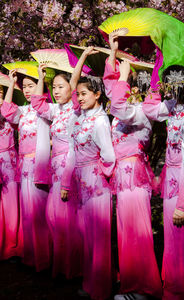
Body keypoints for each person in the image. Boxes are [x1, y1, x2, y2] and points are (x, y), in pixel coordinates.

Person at [103, 33, 162, 300]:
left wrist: (124, 75)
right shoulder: (122, 112)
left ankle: (143, 287)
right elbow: (110, 91)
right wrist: (113, 54)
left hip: (136, 179)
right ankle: (130, 284)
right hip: (121, 179)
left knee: (138, 232)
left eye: (130, 81)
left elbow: (118, 104)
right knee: (125, 232)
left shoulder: (144, 112)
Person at [31, 47, 97, 279]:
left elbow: (76, 78)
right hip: (56, 170)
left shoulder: (75, 109)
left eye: (61, 86)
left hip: (70, 168)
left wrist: (82, 58)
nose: (56, 91)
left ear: (73, 89)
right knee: (54, 217)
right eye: (55, 87)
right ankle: (63, 266)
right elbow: (37, 104)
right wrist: (41, 78)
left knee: (70, 220)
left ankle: (75, 268)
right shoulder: (55, 109)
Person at [142, 65, 184, 300]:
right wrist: (156, 67)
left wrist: (183, 204)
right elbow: (149, 109)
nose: (164, 90)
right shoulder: (173, 110)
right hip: (171, 182)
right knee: (172, 239)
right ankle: (173, 288)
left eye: (167, 85)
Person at [62, 70, 115, 299]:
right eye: (79, 94)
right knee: (86, 234)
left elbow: (109, 156)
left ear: (97, 94)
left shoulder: (101, 121)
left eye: (84, 94)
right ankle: (90, 281)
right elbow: (73, 152)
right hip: (81, 183)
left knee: (98, 236)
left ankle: (101, 287)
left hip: (97, 184)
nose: (80, 98)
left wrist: (98, 174)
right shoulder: (81, 119)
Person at [1, 70, 52, 271]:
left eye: (32, 86)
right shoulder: (22, 111)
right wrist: (12, 84)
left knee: (41, 212)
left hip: (40, 164)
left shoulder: (46, 109)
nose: (29, 90)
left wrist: (40, 78)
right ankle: (31, 256)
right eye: (27, 87)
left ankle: (45, 257)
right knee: (28, 212)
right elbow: (6, 110)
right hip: (24, 166)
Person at [0, 84, 22, 260]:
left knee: (11, 201)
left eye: (1, 91)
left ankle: (12, 243)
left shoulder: (12, 111)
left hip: (10, 158)